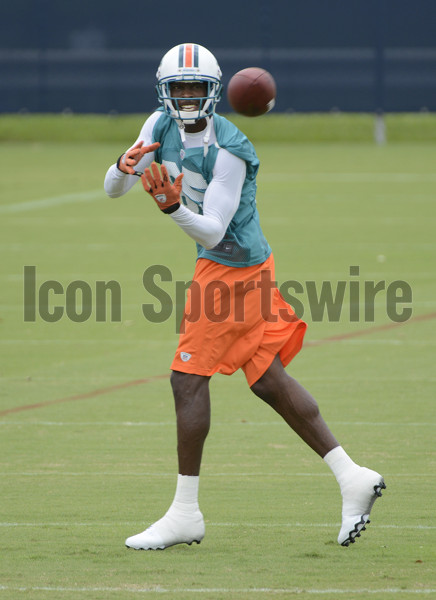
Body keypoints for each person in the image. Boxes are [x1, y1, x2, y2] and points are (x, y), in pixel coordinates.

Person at [104, 43, 385, 550]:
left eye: (195, 88)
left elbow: (211, 231)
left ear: (213, 92)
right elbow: (112, 189)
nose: (186, 98)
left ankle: (185, 513)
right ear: (164, 92)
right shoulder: (156, 124)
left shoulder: (230, 148)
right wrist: (123, 167)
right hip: (239, 264)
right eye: (178, 89)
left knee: (187, 378)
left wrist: (171, 209)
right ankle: (352, 476)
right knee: (267, 379)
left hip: (231, 269)